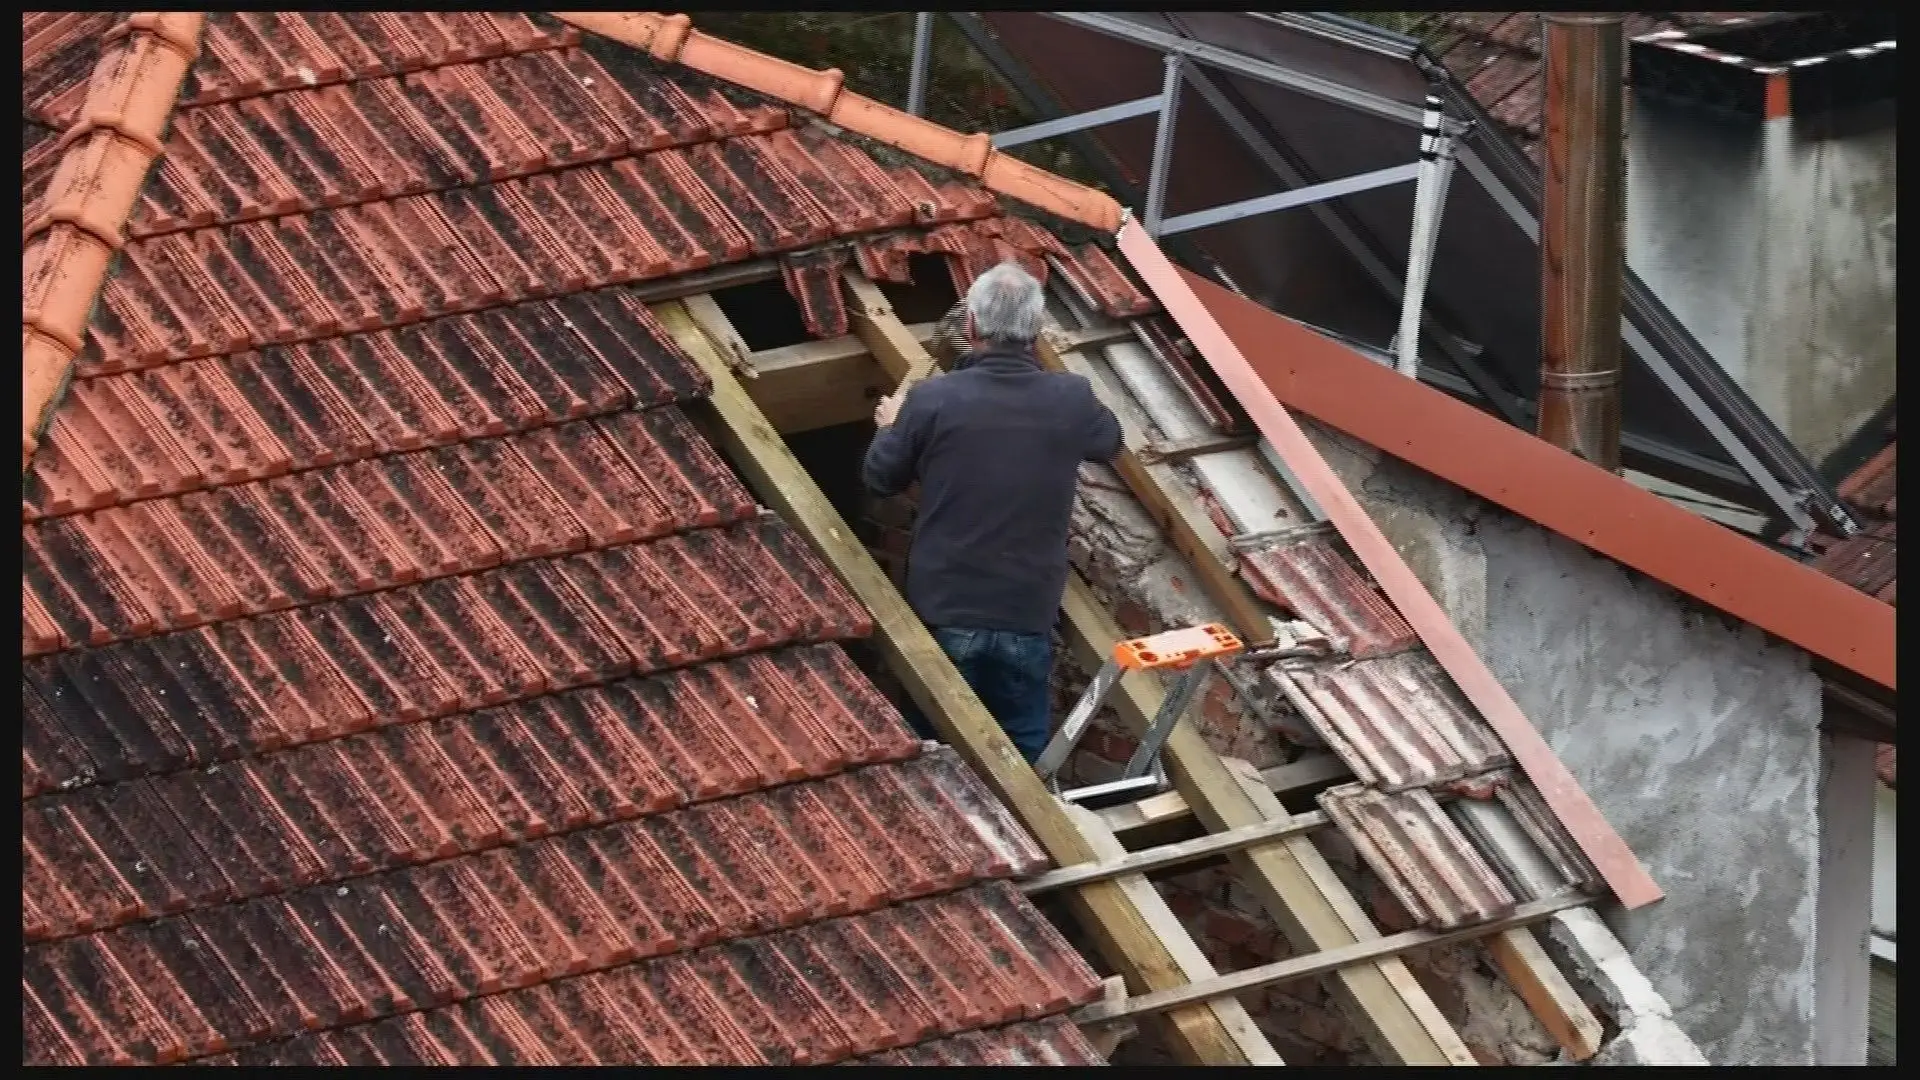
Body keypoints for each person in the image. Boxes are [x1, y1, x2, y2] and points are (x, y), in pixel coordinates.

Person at [863, 262, 1123, 763]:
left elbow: (881, 478)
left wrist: (892, 426)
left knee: (937, 750)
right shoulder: (1069, 397)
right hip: (1026, 610)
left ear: (973, 327)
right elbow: (1110, 440)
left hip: (945, 606)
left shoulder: (934, 399)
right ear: (1037, 329)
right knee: (1023, 752)